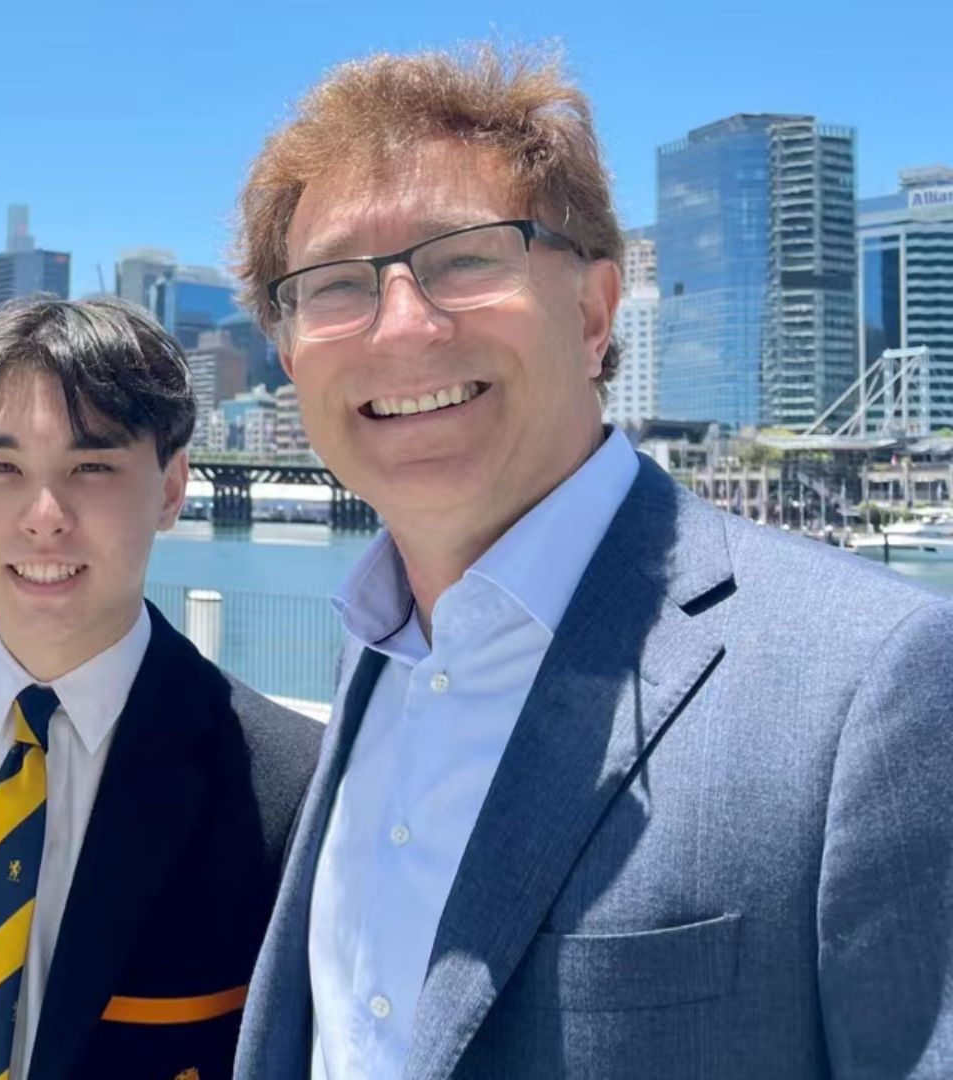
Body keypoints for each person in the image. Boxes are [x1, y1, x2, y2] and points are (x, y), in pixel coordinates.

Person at [228, 44, 953, 1080]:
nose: (402, 326)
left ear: (594, 310)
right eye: (335, 284)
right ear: (291, 353)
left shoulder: (874, 687)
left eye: (465, 258)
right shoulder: (375, 654)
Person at [0, 297, 322, 1080]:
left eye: (92, 466)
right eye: (0, 468)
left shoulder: (286, 785)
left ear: (172, 488)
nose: (44, 518)